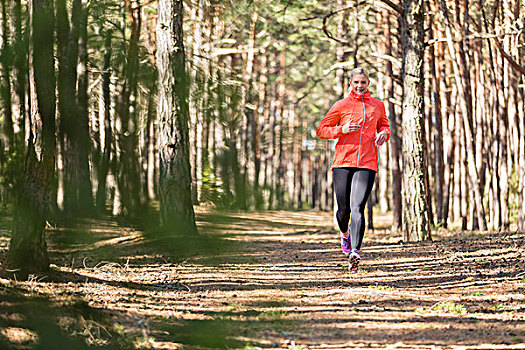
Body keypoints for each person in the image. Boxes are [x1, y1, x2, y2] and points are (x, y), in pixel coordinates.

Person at [316, 67, 390, 273]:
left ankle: (355, 252)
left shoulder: (377, 105)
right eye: (356, 82)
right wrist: (342, 129)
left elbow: (384, 126)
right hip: (342, 162)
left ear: (368, 84)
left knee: (358, 207)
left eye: (363, 82)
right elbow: (321, 129)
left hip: (367, 163)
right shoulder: (341, 105)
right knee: (343, 211)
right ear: (350, 83)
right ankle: (344, 234)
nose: (360, 86)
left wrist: (385, 134)